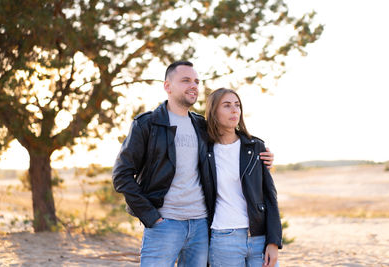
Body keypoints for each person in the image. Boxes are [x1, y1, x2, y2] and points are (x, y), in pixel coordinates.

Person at [112, 61, 274, 267]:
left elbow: (232, 140)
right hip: (164, 224)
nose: (194, 85)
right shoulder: (147, 124)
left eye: (196, 81)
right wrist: (151, 216)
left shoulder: (201, 126)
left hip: (200, 226)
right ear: (167, 86)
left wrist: (262, 154)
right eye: (186, 80)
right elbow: (121, 176)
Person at [205, 88, 282, 267]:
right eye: (227, 105)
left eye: (237, 105)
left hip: (259, 238)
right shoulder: (205, 150)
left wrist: (273, 241)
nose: (234, 110)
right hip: (224, 239)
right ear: (214, 111)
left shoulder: (256, 147)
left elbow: (270, 197)